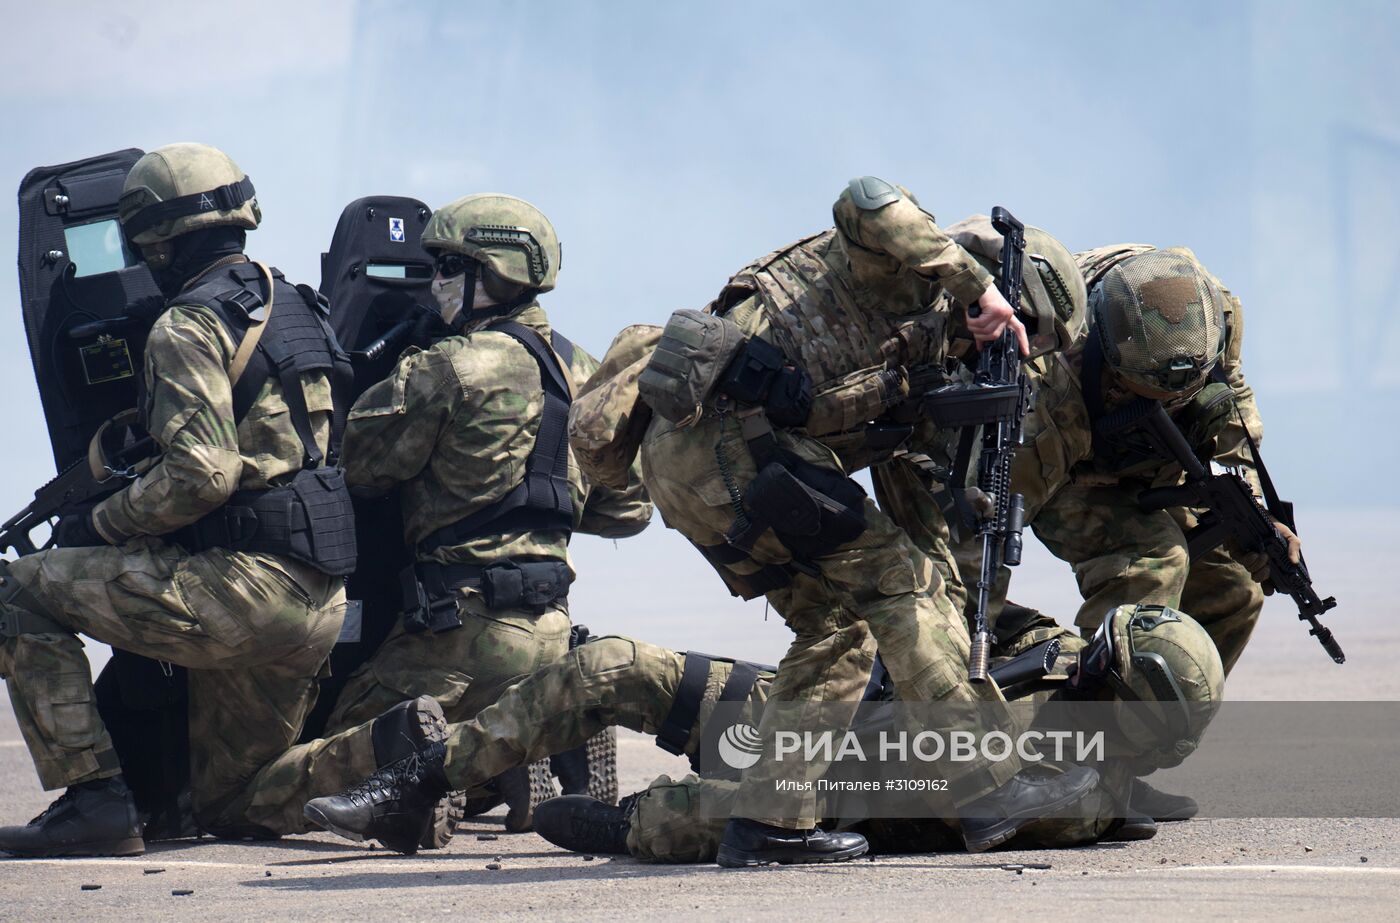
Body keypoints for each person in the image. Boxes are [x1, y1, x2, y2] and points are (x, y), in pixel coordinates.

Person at [0, 143, 360, 856]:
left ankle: (94, 800)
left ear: (155, 240)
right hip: (319, 600)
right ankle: (398, 750)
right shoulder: (298, 306)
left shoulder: (186, 325)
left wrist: (100, 521)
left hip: (242, 596)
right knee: (232, 802)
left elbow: (202, 476)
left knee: (15, 593)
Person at [300, 602, 1222, 861]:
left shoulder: (1072, 788)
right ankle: (423, 776)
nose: (1079, 662)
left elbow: (910, 793)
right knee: (611, 664)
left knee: (671, 815)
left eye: (1100, 667)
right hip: (817, 700)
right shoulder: (1058, 664)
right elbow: (946, 601)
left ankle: (612, 823)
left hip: (823, 782)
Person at [312, 193, 651, 830]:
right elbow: (629, 507)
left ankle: (448, 778)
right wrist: (536, 496)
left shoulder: (446, 366)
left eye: (446, 269)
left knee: (331, 761)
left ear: (493, 275)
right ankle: (514, 754)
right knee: (465, 725)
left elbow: (358, 469)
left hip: (455, 627)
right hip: (550, 622)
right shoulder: (585, 370)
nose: (433, 283)